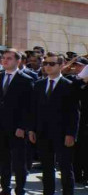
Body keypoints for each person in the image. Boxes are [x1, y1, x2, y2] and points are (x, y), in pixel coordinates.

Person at [29, 52, 80, 195]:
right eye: (45, 63)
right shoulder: (39, 85)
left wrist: (71, 134)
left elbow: (74, 112)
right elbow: (34, 109)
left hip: (63, 134)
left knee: (65, 168)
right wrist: (32, 129)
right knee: (47, 167)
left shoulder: (69, 85)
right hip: (43, 132)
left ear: (61, 65)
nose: (48, 67)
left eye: (52, 64)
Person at [0, 49, 33, 195]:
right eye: (4, 58)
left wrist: (23, 126)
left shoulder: (26, 79)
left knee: (18, 162)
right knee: (3, 160)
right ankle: (5, 188)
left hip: (17, 128)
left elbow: (29, 107)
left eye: (9, 58)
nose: (5, 61)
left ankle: (20, 189)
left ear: (18, 61)